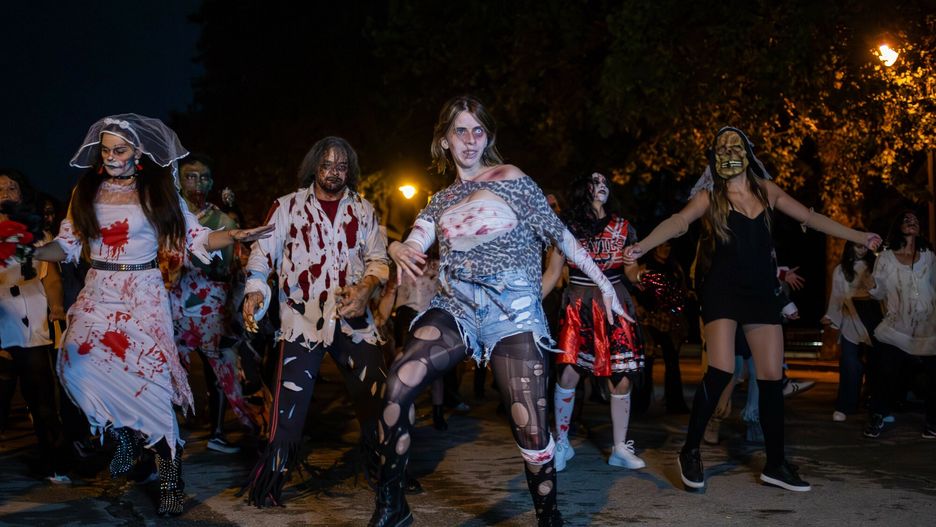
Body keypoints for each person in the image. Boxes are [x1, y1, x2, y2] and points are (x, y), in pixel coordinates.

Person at [369, 96, 626, 527]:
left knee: (530, 428)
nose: (469, 140)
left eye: (477, 131)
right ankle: (392, 505)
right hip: (457, 306)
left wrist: (604, 285)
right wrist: (397, 247)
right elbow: (414, 242)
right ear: (444, 141)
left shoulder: (511, 179)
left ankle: (548, 516)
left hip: (513, 310)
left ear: (487, 136)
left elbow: (559, 236)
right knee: (398, 383)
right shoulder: (441, 199)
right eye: (459, 131)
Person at [32, 114, 272, 516]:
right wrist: (34, 252)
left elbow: (194, 236)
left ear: (138, 152)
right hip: (98, 292)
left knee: (152, 387)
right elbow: (67, 244)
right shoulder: (85, 189)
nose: (111, 157)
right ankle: (123, 434)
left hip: (142, 294)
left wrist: (232, 236)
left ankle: (171, 480)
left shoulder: (159, 190)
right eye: (105, 150)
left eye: (119, 150)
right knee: (75, 364)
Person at [622, 126, 881, 492]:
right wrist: (642, 246)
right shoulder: (709, 197)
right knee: (722, 370)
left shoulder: (767, 191)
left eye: (735, 144)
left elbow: (810, 218)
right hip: (722, 291)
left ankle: (775, 464)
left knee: (772, 378)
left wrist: (859, 236)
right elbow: (678, 222)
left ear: (747, 152)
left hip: (761, 292)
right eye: (722, 146)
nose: (729, 150)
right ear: (714, 157)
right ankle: (690, 451)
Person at [241, 136, 398, 507]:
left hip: (353, 319)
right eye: (327, 165)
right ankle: (271, 482)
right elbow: (262, 254)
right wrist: (256, 289)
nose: (334, 173)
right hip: (302, 321)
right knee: (288, 412)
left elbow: (379, 260)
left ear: (350, 169)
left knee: (378, 399)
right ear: (314, 166)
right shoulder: (285, 207)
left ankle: (387, 473)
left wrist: (366, 288)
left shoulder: (363, 210)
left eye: (342, 166)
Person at [541, 172, 645, 472]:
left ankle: (620, 448)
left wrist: (644, 277)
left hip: (616, 303)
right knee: (569, 375)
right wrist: (527, 303)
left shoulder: (623, 227)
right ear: (581, 189)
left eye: (605, 182)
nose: (602, 186)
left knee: (622, 376)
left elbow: (631, 269)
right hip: (578, 304)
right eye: (594, 181)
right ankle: (561, 443)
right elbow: (551, 274)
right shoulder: (567, 228)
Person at [171, 154, 258, 453]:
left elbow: (228, 268)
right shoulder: (169, 215)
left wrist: (203, 264)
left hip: (210, 302)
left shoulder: (222, 220)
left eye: (204, 177)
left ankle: (218, 431)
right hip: (175, 300)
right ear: (179, 181)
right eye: (191, 176)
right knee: (171, 366)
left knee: (219, 367)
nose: (198, 182)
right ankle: (170, 430)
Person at [0, 169, 70, 482]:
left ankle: (53, 462)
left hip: (31, 323)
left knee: (41, 398)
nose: (4, 193)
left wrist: (56, 306)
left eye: (11, 187)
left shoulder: (38, 233)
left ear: (22, 193)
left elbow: (51, 276)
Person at [863, 210, 936, 438]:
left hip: (927, 325)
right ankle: (877, 416)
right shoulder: (885, 258)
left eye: (915, 219)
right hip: (897, 325)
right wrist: (871, 284)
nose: (911, 221)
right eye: (906, 219)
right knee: (885, 370)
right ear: (898, 226)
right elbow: (878, 293)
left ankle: (932, 423)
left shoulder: (928, 256)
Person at [822, 240, 879, 422]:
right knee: (848, 363)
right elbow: (837, 295)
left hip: (873, 318)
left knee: (876, 364)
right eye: (857, 245)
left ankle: (877, 407)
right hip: (850, 317)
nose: (861, 249)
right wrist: (831, 316)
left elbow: (884, 293)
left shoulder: (877, 266)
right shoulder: (841, 269)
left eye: (864, 245)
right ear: (850, 247)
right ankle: (845, 405)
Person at [638, 240, 690, 414]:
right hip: (648, 318)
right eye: (661, 245)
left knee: (672, 360)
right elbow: (634, 288)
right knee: (647, 360)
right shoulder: (645, 267)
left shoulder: (675, 268)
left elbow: (681, 291)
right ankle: (641, 403)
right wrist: (638, 306)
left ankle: (674, 403)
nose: (664, 249)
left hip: (668, 318)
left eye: (668, 246)